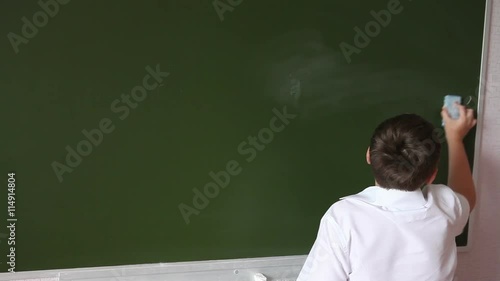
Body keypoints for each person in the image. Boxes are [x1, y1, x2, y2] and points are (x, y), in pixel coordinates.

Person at [297, 104, 477, 281]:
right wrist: (455, 138)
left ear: (369, 155)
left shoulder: (344, 217)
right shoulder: (444, 206)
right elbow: (467, 197)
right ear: (432, 176)